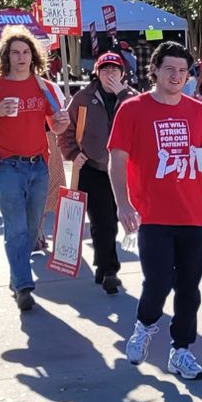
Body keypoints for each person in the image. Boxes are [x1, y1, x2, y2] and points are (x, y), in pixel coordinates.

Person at [109, 42, 202, 379]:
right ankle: (144, 326)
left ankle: (181, 350)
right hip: (153, 214)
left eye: (183, 71)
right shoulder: (132, 109)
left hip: (194, 213)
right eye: (170, 69)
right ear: (155, 70)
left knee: (189, 287)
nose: (176, 76)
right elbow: (117, 160)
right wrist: (123, 203)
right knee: (157, 281)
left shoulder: (198, 110)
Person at [0, 27, 71, 311]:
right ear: (6, 56)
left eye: (26, 52)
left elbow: (56, 126)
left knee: (30, 227)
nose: (22, 57)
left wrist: (63, 120)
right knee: (15, 229)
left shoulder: (44, 86)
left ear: (34, 56)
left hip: (38, 166)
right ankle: (24, 285)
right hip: (7, 167)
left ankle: (17, 276)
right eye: (15, 52)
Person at [60, 52, 137, 295]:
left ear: (123, 74)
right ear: (97, 73)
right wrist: (73, 153)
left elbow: (143, 128)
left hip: (124, 170)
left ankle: (103, 265)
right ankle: (110, 270)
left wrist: (122, 95)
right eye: (105, 70)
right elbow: (65, 130)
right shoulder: (82, 99)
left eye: (115, 70)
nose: (110, 74)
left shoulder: (132, 99)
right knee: (103, 222)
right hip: (93, 168)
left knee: (115, 219)